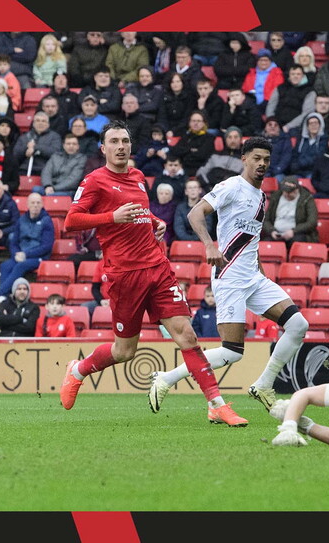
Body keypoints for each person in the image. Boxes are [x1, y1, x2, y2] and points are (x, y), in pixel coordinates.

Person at [59, 120, 248, 425]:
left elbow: (138, 211)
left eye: (125, 141)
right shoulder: (95, 181)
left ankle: (217, 404)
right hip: (125, 275)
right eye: (115, 142)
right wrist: (112, 217)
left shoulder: (137, 176)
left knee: (186, 335)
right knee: (125, 352)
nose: (121, 147)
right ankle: (78, 370)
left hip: (157, 267)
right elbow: (71, 220)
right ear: (103, 148)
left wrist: (153, 222)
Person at [148, 136, 311, 419]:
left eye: (266, 160)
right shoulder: (231, 186)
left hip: (254, 278)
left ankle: (263, 385)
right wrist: (210, 245)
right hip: (230, 277)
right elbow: (196, 213)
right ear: (244, 159)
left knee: (298, 324)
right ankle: (166, 378)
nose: (262, 164)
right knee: (232, 352)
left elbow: (251, 239)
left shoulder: (261, 197)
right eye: (256, 158)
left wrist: (260, 270)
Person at [0, 192, 55, 306]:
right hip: (21, 255)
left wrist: (25, 254)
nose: (35, 205)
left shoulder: (47, 221)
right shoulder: (21, 220)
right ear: (27, 205)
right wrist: (16, 254)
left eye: (38, 203)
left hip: (38, 257)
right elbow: (14, 242)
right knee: (5, 265)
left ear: (42, 205)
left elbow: (46, 246)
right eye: (33, 203)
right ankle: (4, 297)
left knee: (21, 265)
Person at [262, 175, 319, 247]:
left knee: (297, 241)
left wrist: (294, 231)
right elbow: (266, 220)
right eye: (285, 192)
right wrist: (271, 231)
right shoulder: (276, 197)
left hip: (298, 233)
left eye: (289, 192)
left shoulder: (307, 198)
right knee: (266, 243)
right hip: (277, 233)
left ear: (297, 189)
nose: (286, 194)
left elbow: (312, 222)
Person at [266, 64, 316, 135]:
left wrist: (289, 126)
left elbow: (306, 113)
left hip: (297, 128)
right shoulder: (280, 88)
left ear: (303, 76)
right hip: (277, 125)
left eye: (298, 74)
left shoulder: (310, 91)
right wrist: (271, 122)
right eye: (293, 74)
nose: (295, 76)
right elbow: (271, 105)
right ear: (289, 75)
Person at [15, 111, 62, 177]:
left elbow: (56, 152)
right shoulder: (24, 137)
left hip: (46, 170)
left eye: (43, 121)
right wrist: (26, 150)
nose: (40, 123)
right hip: (25, 169)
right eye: (37, 121)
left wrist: (36, 148)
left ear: (48, 124)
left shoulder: (54, 137)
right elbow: (15, 153)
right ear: (33, 123)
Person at [170, 110, 216, 178]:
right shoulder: (186, 136)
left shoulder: (209, 138)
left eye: (198, 121)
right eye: (193, 121)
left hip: (199, 169)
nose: (195, 123)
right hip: (183, 168)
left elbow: (202, 155)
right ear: (189, 123)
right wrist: (190, 150)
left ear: (204, 123)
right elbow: (175, 150)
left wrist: (185, 152)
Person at [197, 125, 244, 190]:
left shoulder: (245, 159)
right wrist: (208, 187)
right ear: (225, 140)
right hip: (210, 190)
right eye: (229, 137)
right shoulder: (215, 155)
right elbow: (201, 172)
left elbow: (244, 181)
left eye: (236, 137)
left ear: (240, 139)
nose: (233, 140)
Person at [242, 48, 285, 118]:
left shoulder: (277, 73)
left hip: (268, 102)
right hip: (252, 102)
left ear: (270, 61)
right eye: (261, 60)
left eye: (266, 60)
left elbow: (277, 90)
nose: (263, 63)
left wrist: (265, 101)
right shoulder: (251, 73)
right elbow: (245, 88)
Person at [288, 112, 328, 178]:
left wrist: (300, 163)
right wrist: (294, 165)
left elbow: (318, 157)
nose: (313, 125)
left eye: (316, 123)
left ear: (320, 125)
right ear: (307, 126)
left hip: (314, 172)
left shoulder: (324, 140)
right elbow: (295, 155)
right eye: (311, 123)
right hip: (299, 172)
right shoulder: (301, 140)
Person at [158, 71, 196, 139]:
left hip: (183, 128)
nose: (175, 84)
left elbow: (186, 118)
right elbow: (162, 116)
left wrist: (173, 131)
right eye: (172, 82)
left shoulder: (189, 97)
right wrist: (166, 130)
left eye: (178, 81)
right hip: (166, 128)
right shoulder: (164, 96)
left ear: (182, 83)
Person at [149, 182, 178, 247]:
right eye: (161, 193)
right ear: (157, 194)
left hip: (166, 232)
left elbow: (167, 220)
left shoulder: (174, 207)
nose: (163, 195)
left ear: (171, 196)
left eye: (166, 194)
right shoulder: (151, 205)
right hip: (150, 230)